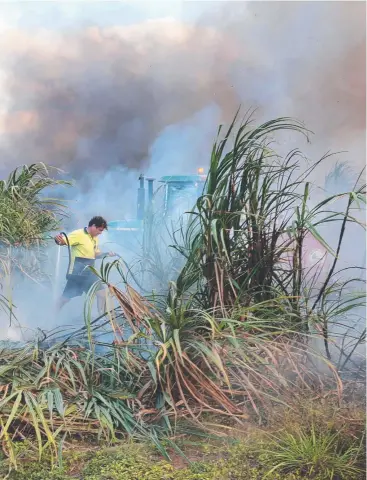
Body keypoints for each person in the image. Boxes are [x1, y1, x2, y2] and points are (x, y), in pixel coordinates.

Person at [54, 216, 116, 314]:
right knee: (64, 299)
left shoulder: (95, 238)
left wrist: (107, 254)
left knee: (103, 295)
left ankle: (101, 319)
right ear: (93, 226)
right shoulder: (78, 234)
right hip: (77, 274)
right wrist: (58, 239)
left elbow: (95, 254)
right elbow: (62, 241)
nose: (100, 233)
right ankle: (50, 318)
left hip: (89, 274)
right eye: (100, 230)